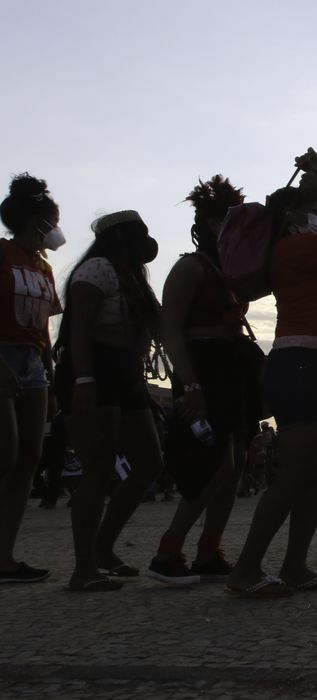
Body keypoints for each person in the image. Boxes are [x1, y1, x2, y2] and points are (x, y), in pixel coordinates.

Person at [226, 148, 317, 596]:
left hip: (311, 367)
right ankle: (246, 569)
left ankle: (295, 565)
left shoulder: (301, 244)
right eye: (314, 211)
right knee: (295, 472)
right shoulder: (293, 248)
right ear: (292, 216)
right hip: (299, 364)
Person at [147, 175, 264, 586]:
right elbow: (170, 330)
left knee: (235, 464)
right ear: (213, 224)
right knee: (216, 462)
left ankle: (208, 551)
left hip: (229, 367)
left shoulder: (230, 272)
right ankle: (168, 551)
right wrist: (191, 384)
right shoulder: (189, 267)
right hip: (202, 367)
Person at [54, 210, 166, 591]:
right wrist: (84, 380)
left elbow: (146, 333)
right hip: (94, 369)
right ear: (121, 237)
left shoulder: (132, 277)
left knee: (149, 461)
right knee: (98, 470)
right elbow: (79, 330)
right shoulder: (97, 269)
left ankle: (103, 547)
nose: (146, 241)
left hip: (124, 373)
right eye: (140, 234)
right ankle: (83, 568)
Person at [0, 174, 64, 584]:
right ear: (36, 221)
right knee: (5, 454)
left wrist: (50, 373)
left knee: (28, 458)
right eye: (52, 222)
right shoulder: (2, 254)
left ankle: (5, 557)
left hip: (33, 362)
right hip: (3, 354)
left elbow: (43, 326)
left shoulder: (43, 267)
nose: (56, 230)